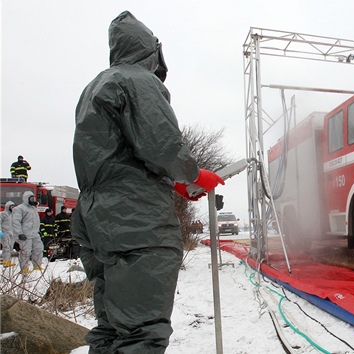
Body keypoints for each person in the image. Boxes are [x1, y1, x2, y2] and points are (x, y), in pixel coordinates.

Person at [71, 11, 224, 354]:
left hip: (97, 219)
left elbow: (118, 160)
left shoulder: (96, 85)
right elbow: (161, 143)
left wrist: (174, 185)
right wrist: (192, 174)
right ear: (151, 50)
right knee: (141, 333)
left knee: (111, 328)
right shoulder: (138, 80)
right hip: (137, 225)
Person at [12, 191, 44, 274]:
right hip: (25, 235)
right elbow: (15, 222)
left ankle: (37, 266)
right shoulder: (19, 209)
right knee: (25, 252)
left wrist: (38, 230)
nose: (33, 200)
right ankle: (24, 268)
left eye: (33, 198)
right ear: (26, 199)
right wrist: (19, 233)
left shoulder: (33, 209)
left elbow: (35, 221)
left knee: (38, 249)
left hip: (34, 234)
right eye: (31, 198)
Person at [1, 201, 17, 267]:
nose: (13, 208)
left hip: (11, 234)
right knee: (6, 247)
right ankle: (6, 262)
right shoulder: (3, 214)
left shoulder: (13, 215)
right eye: (11, 207)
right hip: (4, 233)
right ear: (8, 207)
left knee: (10, 248)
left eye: (13, 207)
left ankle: (8, 261)